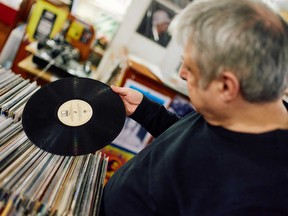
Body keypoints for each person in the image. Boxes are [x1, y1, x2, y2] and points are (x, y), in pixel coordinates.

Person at [100, 0, 288, 215]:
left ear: (226, 86)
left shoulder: (259, 196)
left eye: (190, 67)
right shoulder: (238, 109)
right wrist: (145, 109)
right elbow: (195, 142)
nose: (182, 73)